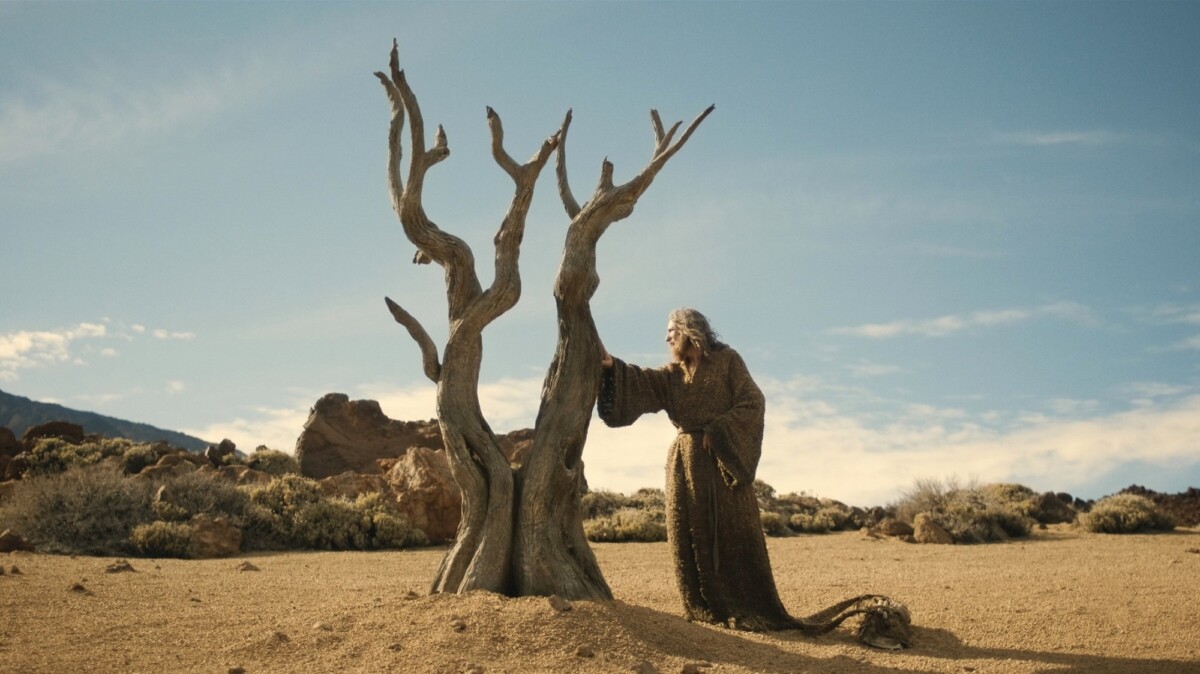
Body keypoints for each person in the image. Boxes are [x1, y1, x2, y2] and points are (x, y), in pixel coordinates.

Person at [597, 307, 798, 631]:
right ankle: (705, 607)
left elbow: (752, 402)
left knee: (735, 531)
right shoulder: (673, 375)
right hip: (684, 464)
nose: (666, 338)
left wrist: (717, 431)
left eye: (671, 330)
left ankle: (747, 606)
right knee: (689, 532)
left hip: (723, 460)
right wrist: (610, 365)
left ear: (688, 330)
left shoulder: (727, 361)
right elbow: (641, 382)